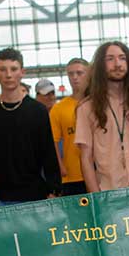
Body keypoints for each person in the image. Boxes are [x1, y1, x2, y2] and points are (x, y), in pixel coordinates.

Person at [0, 48, 61, 204]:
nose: (8, 75)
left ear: (22, 72)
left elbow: (48, 153)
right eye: (3, 69)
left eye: (13, 69)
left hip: (35, 196)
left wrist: (54, 189)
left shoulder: (38, 111)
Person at [76, 41, 129, 192]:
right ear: (100, 66)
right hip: (110, 195)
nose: (117, 64)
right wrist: (97, 199)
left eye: (122, 58)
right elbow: (86, 158)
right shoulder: (86, 108)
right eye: (110, 59)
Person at [50, 58, 89, 195]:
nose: (74, 77)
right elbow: (53, 141)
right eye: (71, 74)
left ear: (89, 74)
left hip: (100, 171)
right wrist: (60, 167)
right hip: (72, 175)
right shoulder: (59, 108)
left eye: (79, 73)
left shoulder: (98, 103)